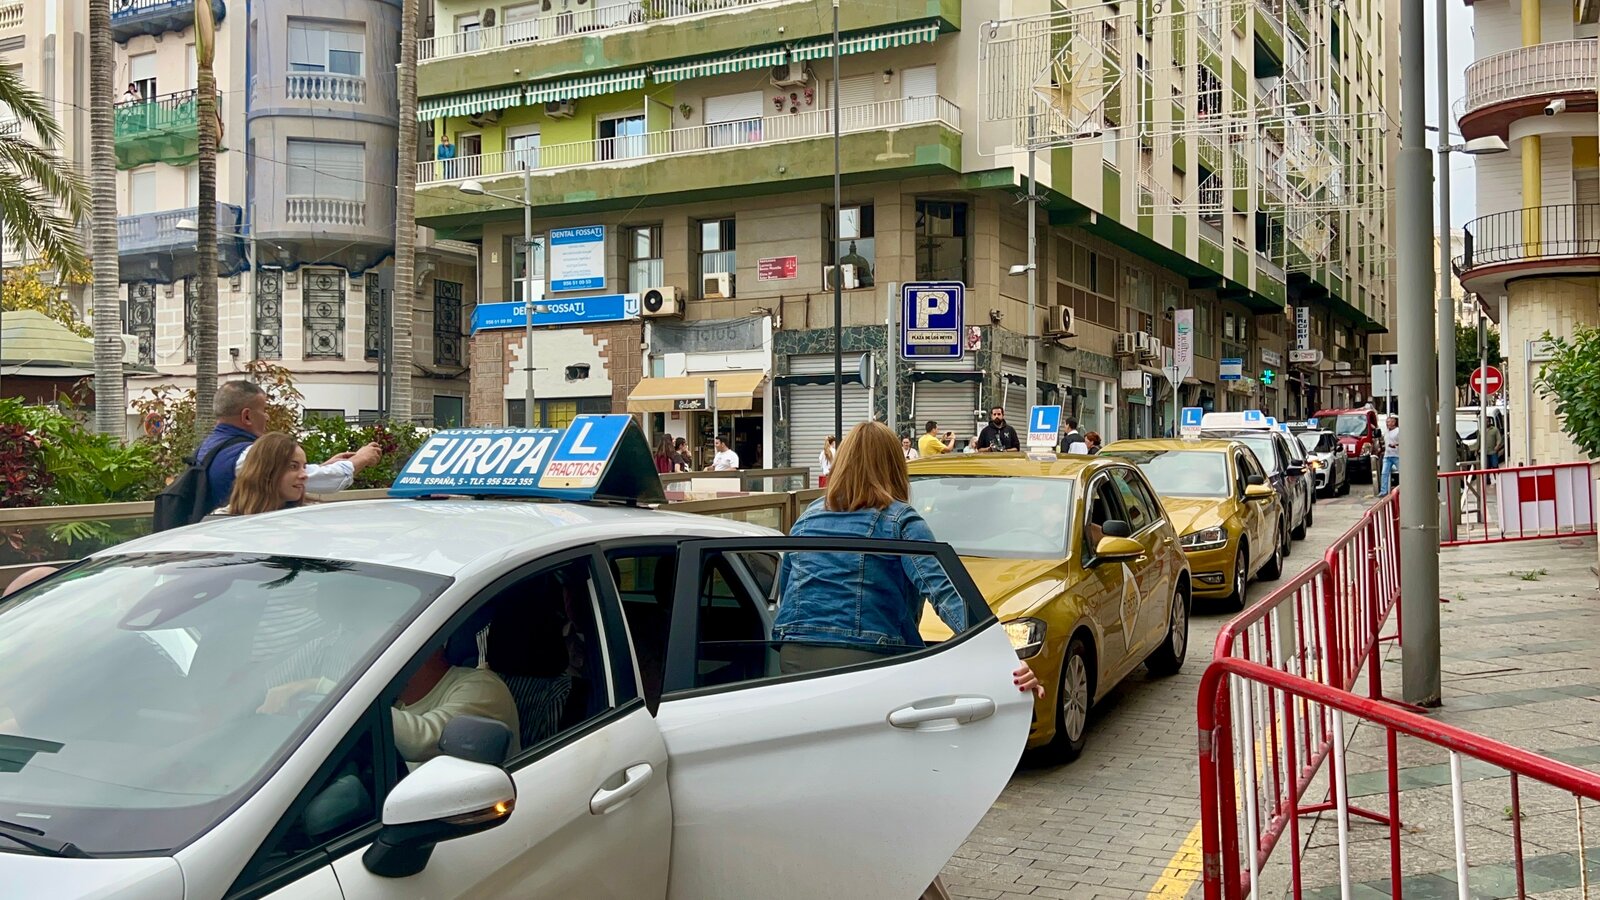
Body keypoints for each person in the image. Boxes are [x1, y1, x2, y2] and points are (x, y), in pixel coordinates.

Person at [772, 422, 1043, 900]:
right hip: (871, 666)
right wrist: (1005, 663)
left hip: (795, 663)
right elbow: (950, 597)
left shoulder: (806, 519)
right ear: (895, 466)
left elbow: (781, 598)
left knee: (833, 792)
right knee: (887, 801)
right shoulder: (898, 521)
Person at [194, 381, 381, 512]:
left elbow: (288, 476)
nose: (267, 417)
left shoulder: (212, 447)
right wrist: (361, 459)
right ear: (247, 416)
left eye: (301, 467)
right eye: (264, 410)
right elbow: (319, 480)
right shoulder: (245, 454)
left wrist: (322, 466)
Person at [217, 432, 308, 515]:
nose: (304, 475)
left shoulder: (307, 518)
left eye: (304, 467)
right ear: (267, 471)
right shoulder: (220, 522)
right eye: (293, 466)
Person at [1379, 414, 1400, 498]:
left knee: (1402, 472)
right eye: (1387, 422)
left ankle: (1403, 488)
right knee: (1384, 473)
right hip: (1387, 456)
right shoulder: (1386, 431)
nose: (1388, 424)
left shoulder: (1398, 431)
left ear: (1394, 422)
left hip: (1397, 455)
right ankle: (1383, 491)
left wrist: (1396, 445)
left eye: (1389, 422)